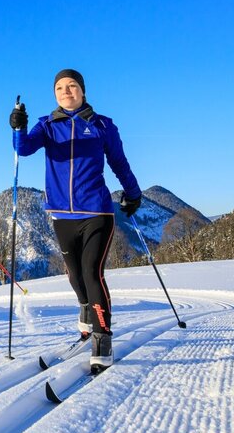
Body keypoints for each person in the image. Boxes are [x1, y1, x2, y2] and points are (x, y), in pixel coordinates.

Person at [9, 68, 142, 373]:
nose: (66, 91)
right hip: (61, 213)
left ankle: (102, 338)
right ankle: (85, 308)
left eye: (71, 86)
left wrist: (133, 194)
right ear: (54, 94)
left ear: (82, 90)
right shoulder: (47, 125)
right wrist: (18, 126)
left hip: (96, 212)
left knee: (91, 272)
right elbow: (23, 149)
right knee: (73, 274)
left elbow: (119, 162)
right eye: (60, 88)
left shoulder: (101, 125)